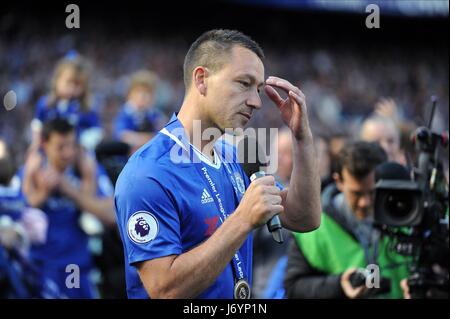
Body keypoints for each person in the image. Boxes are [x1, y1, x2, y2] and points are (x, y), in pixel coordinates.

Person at [114, 29, 321, 299]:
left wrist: (302, 138)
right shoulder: (148, 174)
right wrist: (242, 221)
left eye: (257, 89)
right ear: (202, 80)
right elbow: (164, 290)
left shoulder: (234, 156)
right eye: (243, 83)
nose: (256, 102)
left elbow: (304, 217)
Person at [284, 141, 410, 299]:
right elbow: (294, 288)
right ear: (339, 182)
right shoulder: (313, 228)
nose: (365, 202)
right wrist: (339, 285)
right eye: (356, 194)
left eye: (372, 192)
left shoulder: (408, 214)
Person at [22, 119, 115, 298]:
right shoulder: (30, 172)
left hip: (77, 267)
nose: (68, 153)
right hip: (40, 268)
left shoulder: (86, 170)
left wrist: (69, 189)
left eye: (72, 145)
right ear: (44, 144)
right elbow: (19, 211)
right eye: (61, 147)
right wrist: (40, 190)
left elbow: (112, 215)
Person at [113, 70, 167, 153]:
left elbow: (162, 137)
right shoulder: (125, 113)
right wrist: (149, 138)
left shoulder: (155, 115)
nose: (143, 96)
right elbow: (123, 136)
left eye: (147, 92)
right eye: (139, 91)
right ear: (130, 93)